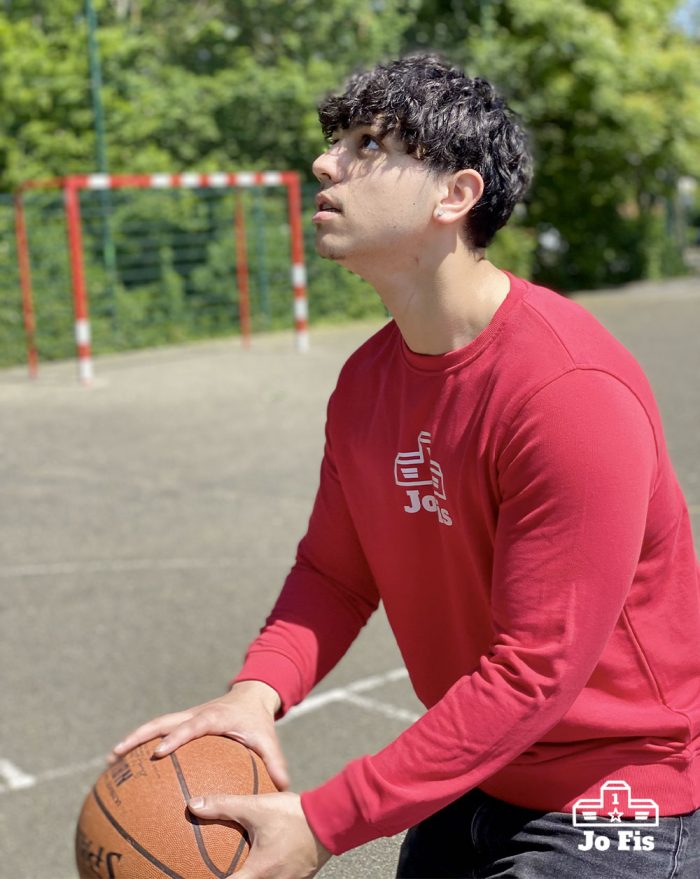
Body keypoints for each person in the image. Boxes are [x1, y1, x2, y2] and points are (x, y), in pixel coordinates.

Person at [110, 55, 700, 878]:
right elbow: (335, 572)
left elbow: (537, 672)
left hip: (613, 798)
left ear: (453, 196)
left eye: (366, 143)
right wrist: (255, 694)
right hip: (474, 770)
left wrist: (323, 823)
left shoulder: (569, 392)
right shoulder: (366, 383)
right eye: (335, 142)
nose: (326, 163)